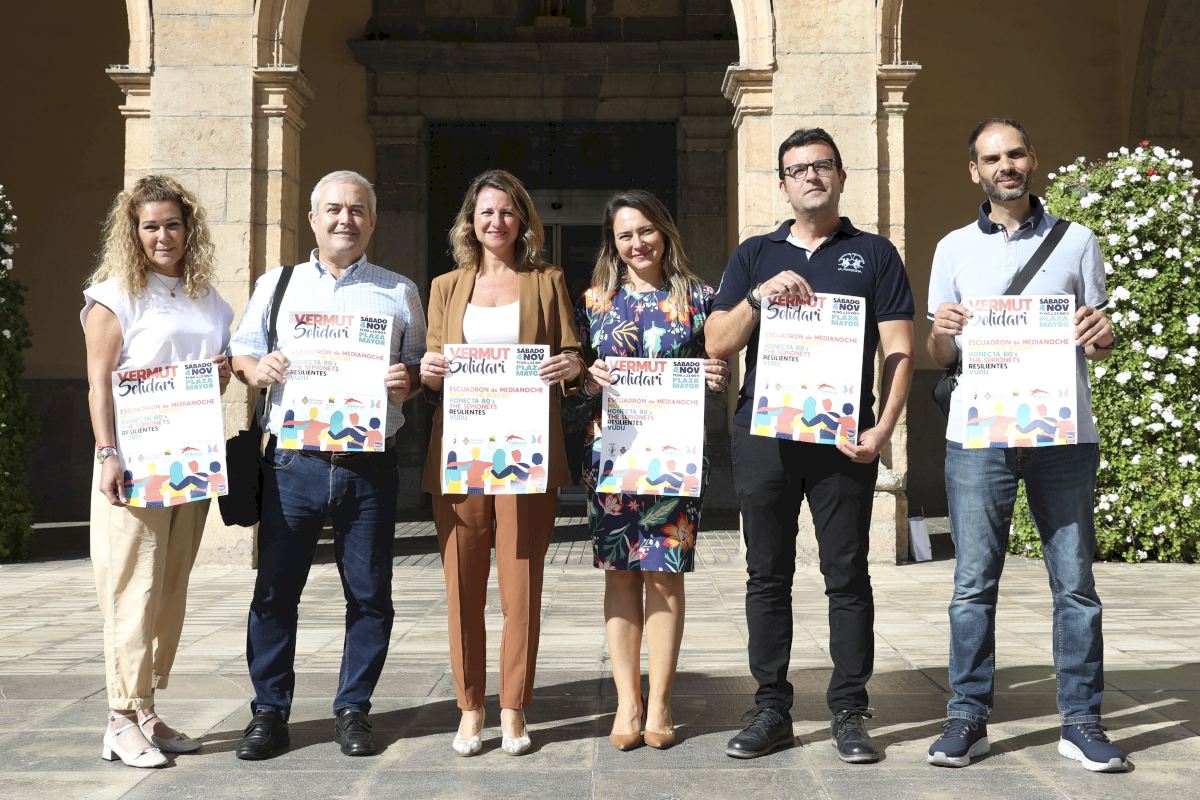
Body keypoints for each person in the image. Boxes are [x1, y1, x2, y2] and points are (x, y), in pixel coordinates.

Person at [705, 128, 915, 761]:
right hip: (763, 436)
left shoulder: (875, 254)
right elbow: (717, 341)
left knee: (846, 575)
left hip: (842, 440)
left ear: (842, 177)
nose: (811, 176)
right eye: (798, 169)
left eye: (822, 166)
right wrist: (758, 297)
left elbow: (899, 349)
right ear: (783, 184)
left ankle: (849, 710)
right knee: (766, 574)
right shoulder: (755, 254)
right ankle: (771, 707)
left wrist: (883, 430)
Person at [926, 117, 1125, 772]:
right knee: (972, 584)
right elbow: (940, 353)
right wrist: (943, 331)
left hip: (1061, 434)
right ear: (974, 171)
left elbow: (1098, 339)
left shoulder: (1078, 241)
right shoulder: (953, 248)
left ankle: (1081, 721)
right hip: (977, 436)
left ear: (1033, 159)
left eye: (1014, 154)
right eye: (992, 158)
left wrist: (1102, 334)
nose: (1005, 166)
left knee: (1075, 584)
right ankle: (966, 717)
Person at [229, 170, 426, 760]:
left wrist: (408, 380)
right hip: (294, 463)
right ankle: (269, 713)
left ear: (373, 221)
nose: (346, 220)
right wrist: (257, 369)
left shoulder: (398, 291)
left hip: (370, 464)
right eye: (334, 209)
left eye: (357, 210)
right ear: (313, 219)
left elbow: (417, 365)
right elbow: (242, 352)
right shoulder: (277, 285)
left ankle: (353, 709)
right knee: (275, 591)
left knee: (369, 594)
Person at [419, 170, 584, 757]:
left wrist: (570, 368)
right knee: (463, 585)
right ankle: (470, 707)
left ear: (523, 221)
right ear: (471, 221)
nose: (497, 222)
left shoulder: (547, 280)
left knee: (521, 585)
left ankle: (513, 706)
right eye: (486, 212)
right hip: (461, 453)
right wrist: (428, 371)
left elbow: (572, 353)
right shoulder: (445, 286)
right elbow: (431, 365)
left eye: (508, 212)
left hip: (525, 454)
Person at [83, 175, 233, 768]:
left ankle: (145, 709)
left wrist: (220, 375)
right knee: (132, 589)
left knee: (169, 590)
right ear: (133, 232)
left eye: (172, 224)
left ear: (188, 229)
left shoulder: (209, 299)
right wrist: (106, 453)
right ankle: (118, 719)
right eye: (150, 226)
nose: (162, 236)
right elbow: (98, 384)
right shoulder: (114, 296)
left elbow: (214, 373)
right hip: (133, 465)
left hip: (190, 464)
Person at [573, 190, 728, 751]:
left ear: (664, 231)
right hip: (611, 455)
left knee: (665, 574)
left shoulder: (701, 299)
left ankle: (660, 701)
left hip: (674, 457)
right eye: (625, 235)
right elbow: (576, 378)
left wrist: (714, 375)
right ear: (613, 243)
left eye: (645, 231)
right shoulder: (594, 301)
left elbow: (718, 362)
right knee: (620, 573)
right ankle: (627, 702)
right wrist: (588, 379)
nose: (637, 243)